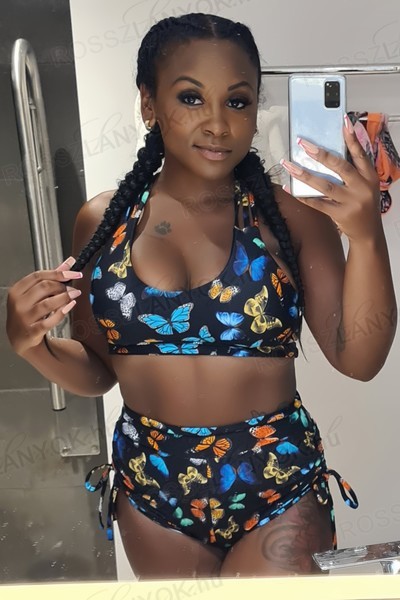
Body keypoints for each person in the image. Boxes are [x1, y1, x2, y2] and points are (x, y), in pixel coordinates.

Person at [6, 13, 396, 580]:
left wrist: (366, 238)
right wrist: (30, 345)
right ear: (148, 104)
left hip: (277, 484)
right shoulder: (102, 220)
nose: (217, 124)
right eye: (191, 98)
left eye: (237, 102)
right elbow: (98, 370)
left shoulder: (290, 217)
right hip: (152, 489)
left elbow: (359, 359)